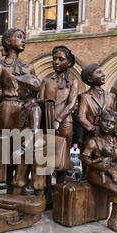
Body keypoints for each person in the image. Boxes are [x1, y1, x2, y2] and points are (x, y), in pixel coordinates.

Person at [81, 109, 117, 233]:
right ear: (99, 122)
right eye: (105, 121)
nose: (108, 125)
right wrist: (95, 164)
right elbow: (84, 157)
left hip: (111, 171)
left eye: (112, 123)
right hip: (95, 173)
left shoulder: (115, 142)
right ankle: (113, 220)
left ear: (116, 126)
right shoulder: (93, 141)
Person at [40, 45, 78, 184]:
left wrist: (59, 119)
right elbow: (40, 100)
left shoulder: (74, 82)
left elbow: (72, 103)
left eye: (60, 59)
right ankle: (47, 189)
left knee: (63, 155)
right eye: (54, 58)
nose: (56, 62)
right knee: (47, 155)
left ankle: (60, 188)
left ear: (69, 63)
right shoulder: (46, 81)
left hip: (65, 123)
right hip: (47, 122)